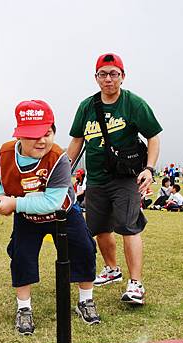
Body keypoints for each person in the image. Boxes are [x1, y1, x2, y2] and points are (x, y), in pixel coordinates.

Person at [0, 99, 100, 335]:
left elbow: (52, 201)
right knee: (21, 255)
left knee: (84, 247)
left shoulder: (58, 158)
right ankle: (23, 308)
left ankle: (85, 300)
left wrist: (15, 203)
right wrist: (0, 196)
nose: (42, 140)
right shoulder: (5, 153)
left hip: (62, 213)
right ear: (19, 135)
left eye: (47, 133)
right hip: (27, 217)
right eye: (33, 135)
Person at [67, 53, 162, 305]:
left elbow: (153, 136)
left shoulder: (133, 104)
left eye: (113, 74)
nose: (108, 79)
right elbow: (77, 140)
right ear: (96, 77)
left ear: (122, 76)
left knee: (128, 227)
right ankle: (112, 269)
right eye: (103, 74)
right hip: (96, 178)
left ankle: (135, 284)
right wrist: (63, 170)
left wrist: (149, 169)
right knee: (99, 228)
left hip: (125, 177)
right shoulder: (87, 106)